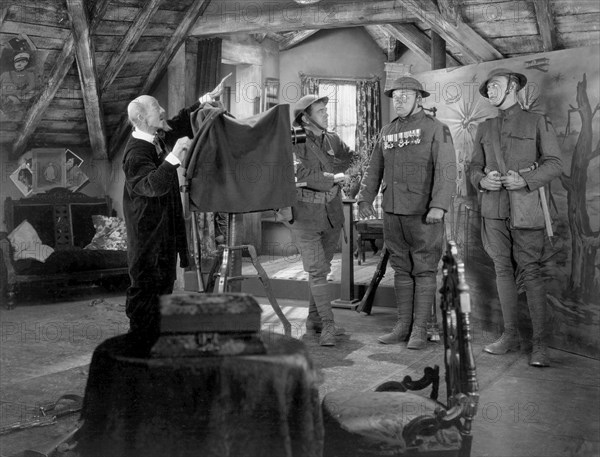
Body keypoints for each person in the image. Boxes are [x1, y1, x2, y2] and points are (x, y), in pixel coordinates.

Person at [469, 68, 562, 367]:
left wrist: (526, 180)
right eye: (488, 89)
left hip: (526, 209)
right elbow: (473, 167)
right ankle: (509, 336)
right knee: (502, 270)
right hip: (493, 210)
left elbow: (555, 164)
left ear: (513, 87)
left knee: (531, 272)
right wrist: (482, 181)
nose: (490, 92)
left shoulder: (537, 121)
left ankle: (540, 346)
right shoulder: (485, 128)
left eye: (495, 86)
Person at [357, 76, 456, 350]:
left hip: (424, 213)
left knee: (424, 270)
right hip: (392, 211)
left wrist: (439, 205)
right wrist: (365, 198)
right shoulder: (387, 131)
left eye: (405, 95)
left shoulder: (438, 129)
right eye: (396, 96)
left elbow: (447, 171)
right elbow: (374, 169)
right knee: (401, 269)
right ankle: (403, 326)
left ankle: (420, 330)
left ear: (418, 98)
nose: (399, 100)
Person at [122, 84, 224, 341]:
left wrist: (205, 99)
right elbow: (152, 186)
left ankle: (157, 341)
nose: (162, 109)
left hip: (164, 232)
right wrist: (176, 155)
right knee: (145, 289)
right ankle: (139, 343)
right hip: (146, 237)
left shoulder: (155, 137)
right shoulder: (135, 153)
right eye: (156, 107)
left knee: (164, 287)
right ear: (142, 118)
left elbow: (178, 122)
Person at [290, 94, 355, 346]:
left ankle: (313, 319)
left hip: (332, 214)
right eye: (320, 111)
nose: (326, 115)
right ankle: (328, 325)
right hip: (305, 215)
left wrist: (350, 175)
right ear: (305, 118)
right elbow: (298, 172)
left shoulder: (333, 139)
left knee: (322, 269)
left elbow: (353, 158)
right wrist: (333, 177)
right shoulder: (294, 139)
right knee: (317, 271)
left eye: (326, 111)